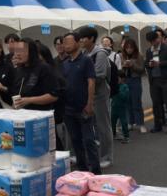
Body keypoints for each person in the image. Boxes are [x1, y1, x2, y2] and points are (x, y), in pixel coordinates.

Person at [61, 32, 100, 174]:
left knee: (89, 140)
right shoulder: (65, 63)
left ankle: (96, 171)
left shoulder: (86, 60)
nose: (66, 45)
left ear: (78, 43)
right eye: (64, 43)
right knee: (75, 140)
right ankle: (82, 171)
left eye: (69, 42)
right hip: (68, 109)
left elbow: (91, 82)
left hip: (83, 107)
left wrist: (90, 103)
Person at [80, 27, 114, 168]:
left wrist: (83, 78)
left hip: (100, 94)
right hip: (88, 94)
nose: (81, 41)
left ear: (92, 39)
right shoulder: (84, 53)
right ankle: (95, 155)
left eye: (84, 38)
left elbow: (100, 75)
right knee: (91, 126)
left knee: (103, 126)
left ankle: (107, 157)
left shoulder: (100, 54)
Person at [12, 38, 59, 111]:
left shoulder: (44, 68)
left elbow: (53, 96)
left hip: (40, 114)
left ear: (31, 52)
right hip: (23, 114)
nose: (18, 54)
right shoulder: (19, 69)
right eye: (17, 51)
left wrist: (29, 100)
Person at [37, 41, 67, 150]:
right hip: (46, 117)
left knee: (57, 145)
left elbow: (55, 96)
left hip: (55, 117)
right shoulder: (39, 72)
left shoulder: (52, 73)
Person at [145, 30, 167, 134]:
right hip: (154, 80)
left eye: (154, 40)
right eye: (150, 41)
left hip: (166, 79)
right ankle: (157, 125)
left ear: (158, 38)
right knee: (156, 103)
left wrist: (160, 63)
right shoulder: (149, 51)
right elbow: (146, 63)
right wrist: (149, 64)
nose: (153, 43)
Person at [121, 38, 146, 134]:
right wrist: (123, 66)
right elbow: (119, 70)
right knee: (127, 103)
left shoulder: (139, 56)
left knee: (137, 102)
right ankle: (130, 123)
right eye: (127, 48)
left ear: (134, 48)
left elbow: (141, 69)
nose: (129, 50)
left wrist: (132, 65)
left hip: (135, 80)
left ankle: (141, 124)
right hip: (125, 80)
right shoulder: (121, 55)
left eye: (131, 48)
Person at [111, 70, 130, 143]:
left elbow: (125, 98)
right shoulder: (114, 86)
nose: (116, 80)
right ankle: (113, 134)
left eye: (118, 78)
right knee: (112, 121)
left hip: (122, 107)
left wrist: (118, 91)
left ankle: (126, 136)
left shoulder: (125, 86)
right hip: (114, 106)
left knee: (124, 122)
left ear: (122, 79)